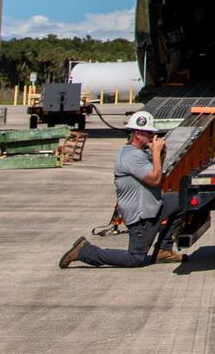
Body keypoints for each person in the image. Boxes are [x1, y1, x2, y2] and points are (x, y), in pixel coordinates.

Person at [58, 110, 180, 268]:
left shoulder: (137, 152)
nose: (152, 137)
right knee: (135, 259)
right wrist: (156, 152)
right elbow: (155, 180)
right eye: (149, 133)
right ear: (137, 134)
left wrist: (159, 154)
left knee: (181, 200)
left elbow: (155, 173)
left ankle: (164, 250)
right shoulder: (132, 156)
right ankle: (85, 251)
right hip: (141, 217)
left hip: (154, 207)